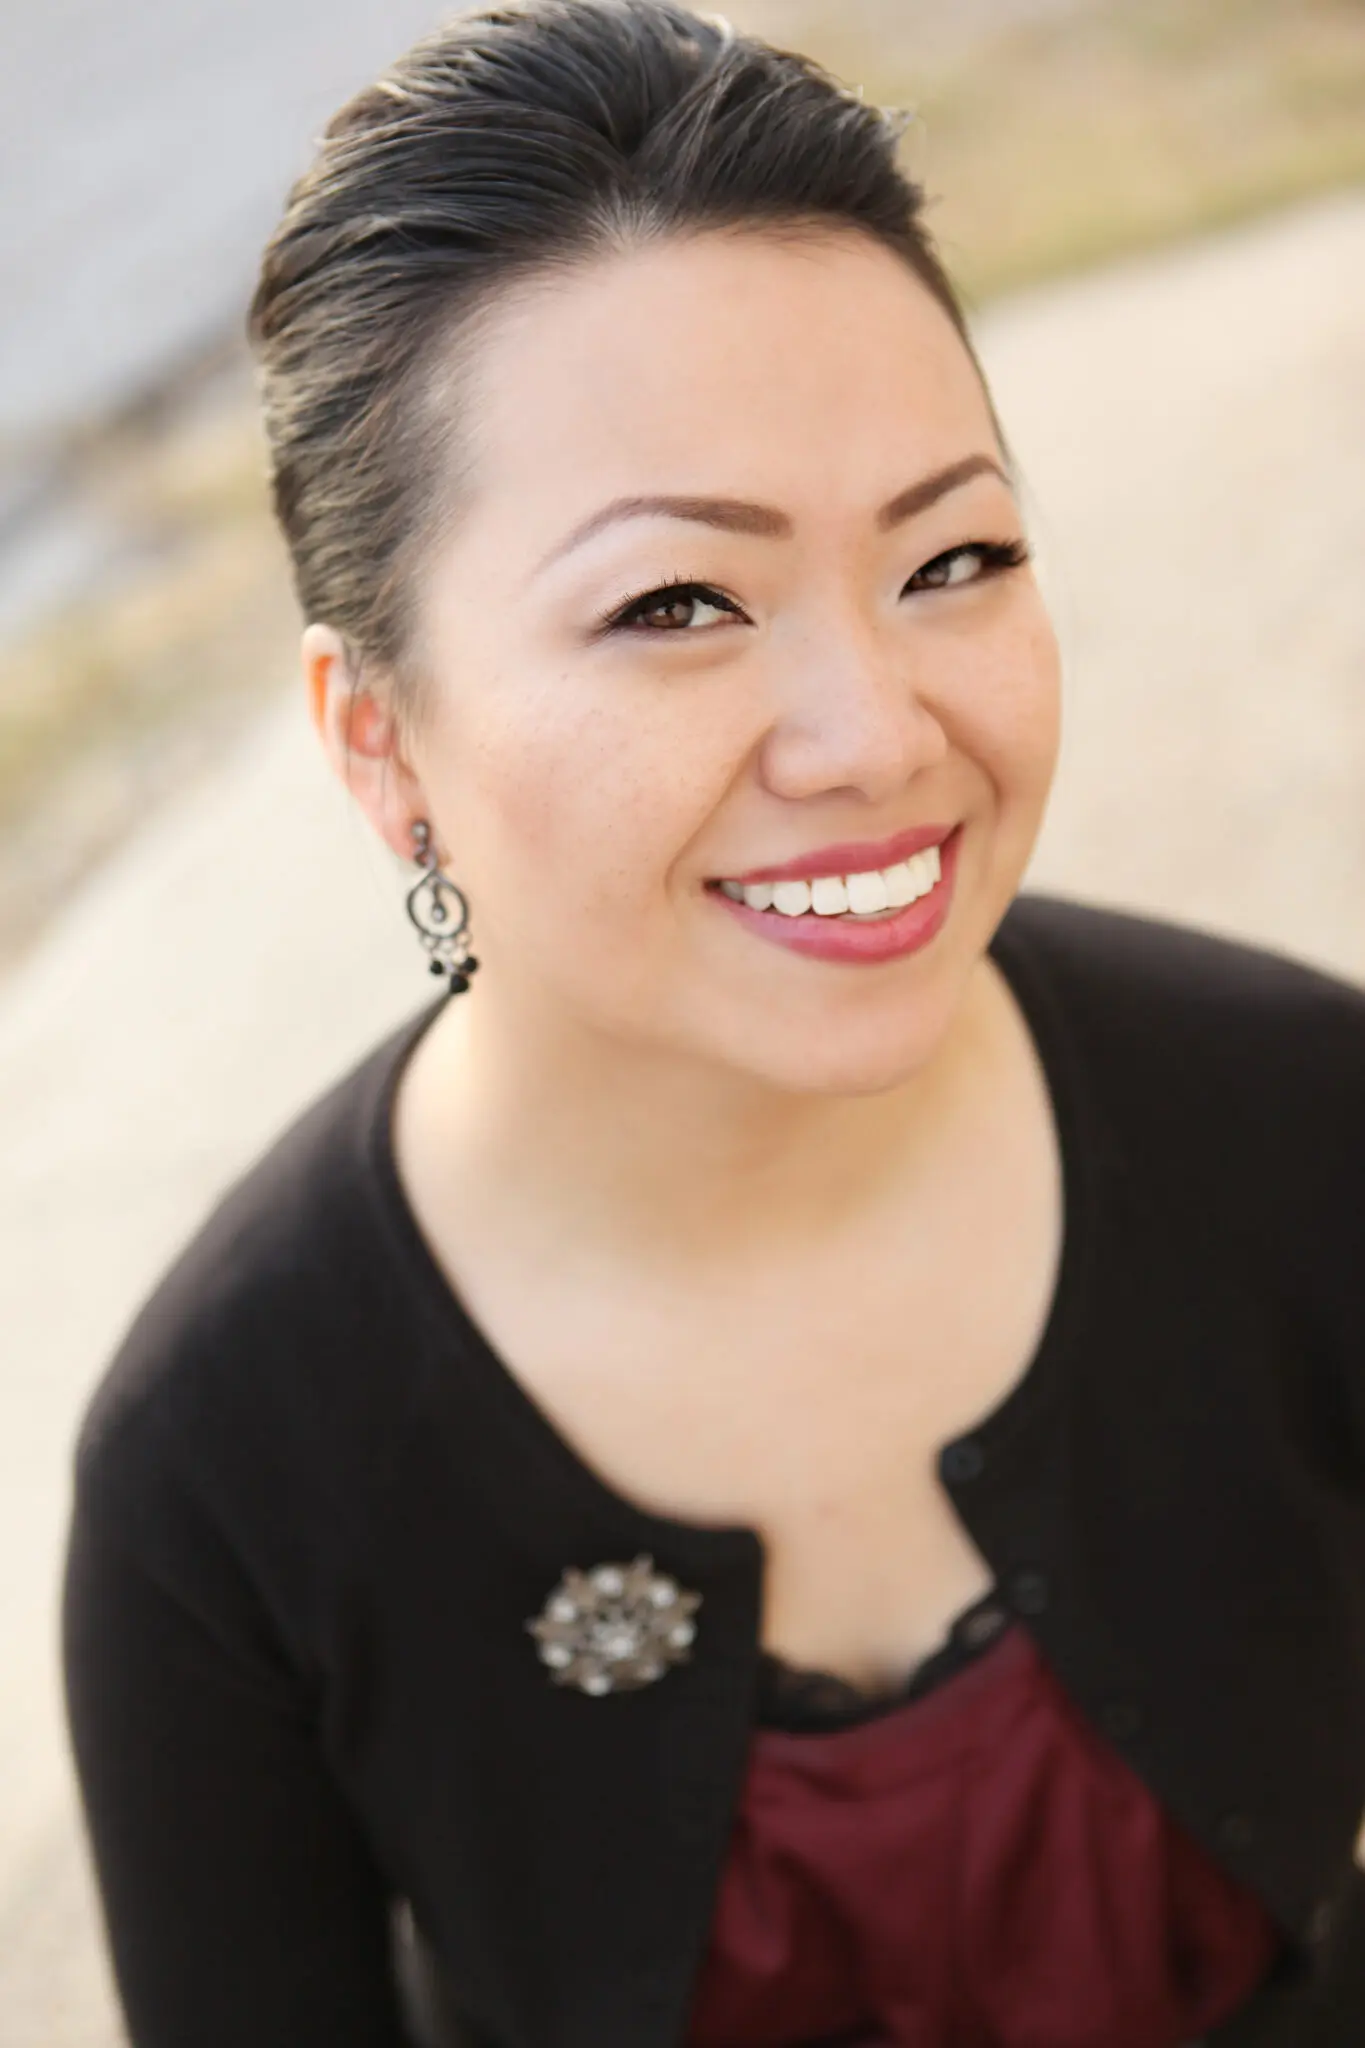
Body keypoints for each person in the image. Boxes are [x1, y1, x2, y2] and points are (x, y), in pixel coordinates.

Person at [60, 2, 1365, 2044]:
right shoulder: (222, 1476)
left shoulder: (1305, 1125)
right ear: (378, 737)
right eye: (679, 603)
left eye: (954, 556)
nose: (877, 736)